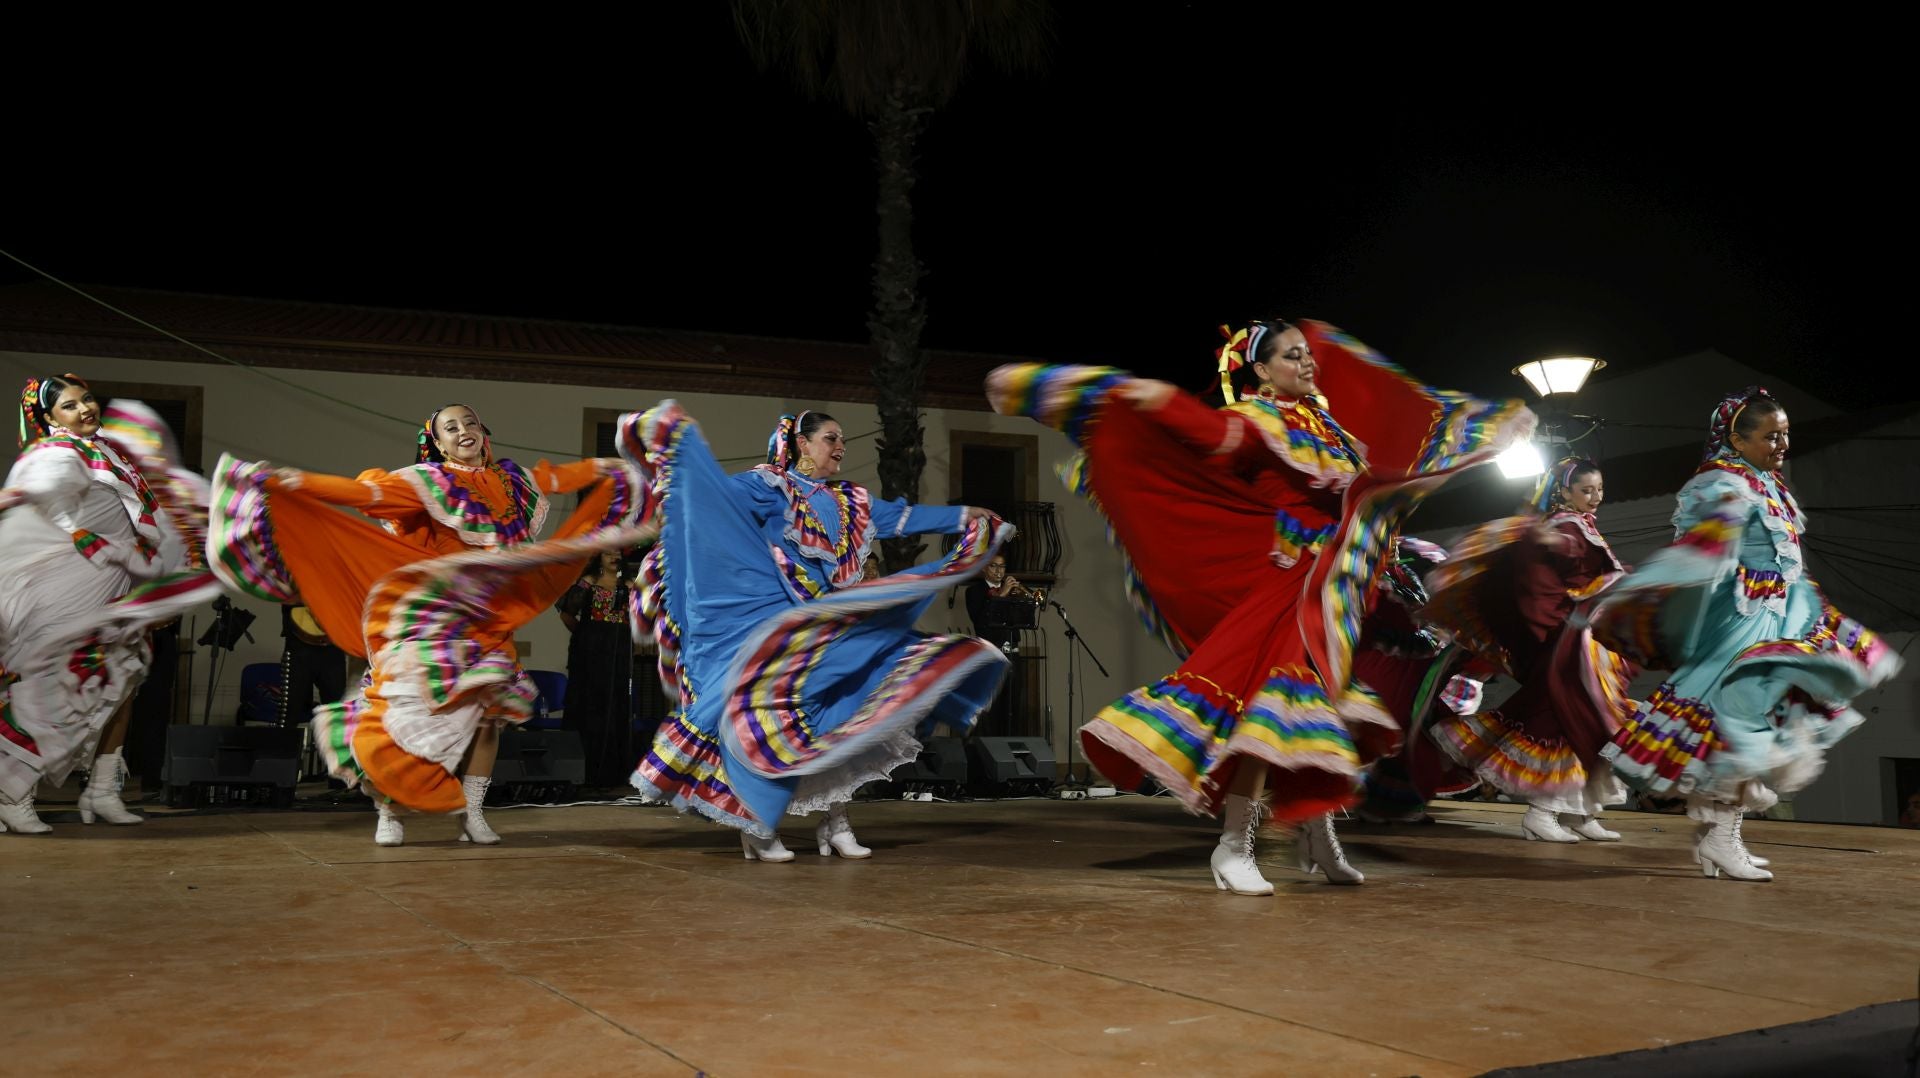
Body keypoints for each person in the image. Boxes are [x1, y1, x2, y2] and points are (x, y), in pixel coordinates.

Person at [987, 319, 1533, 893]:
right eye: (1291, 356)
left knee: (1311, 715)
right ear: (1262, 370)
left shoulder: (1329, 429)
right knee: (1275, 708)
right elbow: (1201, 429)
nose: (1306, 363)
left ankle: (1318, 842)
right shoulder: (1259, 420)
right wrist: (1135, 396)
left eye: (1306, 355)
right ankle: (1233, 845)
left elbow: (1369, 494)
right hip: (1288, 582)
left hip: (1336, 586)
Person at [209, 404, 645, 846]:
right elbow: (365, 496)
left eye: (470, 423)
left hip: (491, 618)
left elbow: (557, 477)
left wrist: (604, 467)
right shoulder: (428, 484)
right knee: (403, 717)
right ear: (438, 444)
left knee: (487, 718)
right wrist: (297, 482)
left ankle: (472, 813)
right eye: (450, 428)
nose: (463, 432)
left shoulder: (514, 482)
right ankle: (389, 810)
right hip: (432, 619)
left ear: (483, 432)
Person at [624, 404, 1009, 861]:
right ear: (802, 444)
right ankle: (756, 826)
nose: (840, 447)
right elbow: (712, 512)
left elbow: (903, 517)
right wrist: (679, 471)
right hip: (771, 626)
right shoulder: (766, 486)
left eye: (842, 439)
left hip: (826, 626)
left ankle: (835, 820)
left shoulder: (852, 502)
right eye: (831, 438)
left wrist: (964, 515)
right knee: (762, 723)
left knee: (843, 717)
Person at [1591, 387, 1903, 880]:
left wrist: (1815, 612)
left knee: (1754, 729)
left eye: (1785, 435)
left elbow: (1787, 564)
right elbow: (1704, 549)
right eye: (1770, 436)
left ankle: (1717, 837)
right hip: (1742, 621)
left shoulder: (1767, 482)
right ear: (1735, 438)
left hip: (1777, 616)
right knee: (1739, 731)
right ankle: (1720, 839)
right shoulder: (1720, 483)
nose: (1781, 444)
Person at [0, 377, 217, 833]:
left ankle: (101, 790)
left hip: (119, 583)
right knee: (55, 686)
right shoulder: (57, 455)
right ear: (49, 418)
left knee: (124, 683)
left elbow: (154, 515)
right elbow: (31, 494)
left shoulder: (113, 451)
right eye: (67, 406)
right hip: (72, 587)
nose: (83, 410)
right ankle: (12, 792)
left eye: (86, 399)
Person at [1420, 457, 1639, 843]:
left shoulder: (1583, 527)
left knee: (1585, 724)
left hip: (1588, 644)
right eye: (1586, 490)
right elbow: (1544, 587)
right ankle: (1543, 811)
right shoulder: (1564, 527)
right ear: (1565, 492)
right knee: (1562, 721)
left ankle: (1581, 812)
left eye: (1600, 489)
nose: (1596, 497)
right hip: (1569, 644)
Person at [558, 550, 635, 788]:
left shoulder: (630, 585)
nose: (613, 556)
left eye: (617, 552)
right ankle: (584, 771)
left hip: (620, 652)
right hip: (590, 655)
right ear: (598, 557)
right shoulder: (588, 582)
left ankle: (613, 773)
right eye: (607, 553)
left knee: (617, 704)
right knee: (589, 705)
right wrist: (587, 637)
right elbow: (566, 613)